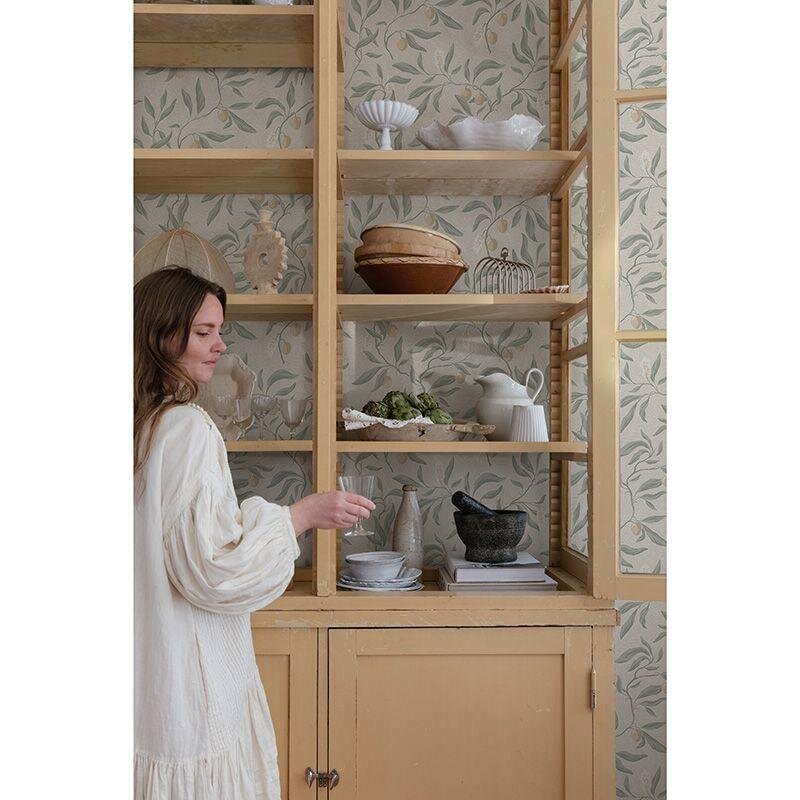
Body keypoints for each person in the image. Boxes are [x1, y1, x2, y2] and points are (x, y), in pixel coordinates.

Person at [133, 266, 374, 799]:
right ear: (160, 337)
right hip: (184, 678)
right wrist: (300, 516)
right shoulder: (186, 428)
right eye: (203, 332)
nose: (220, 345)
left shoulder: (135, 424)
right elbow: (214, 572)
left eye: (219, 330)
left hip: (141, 677)